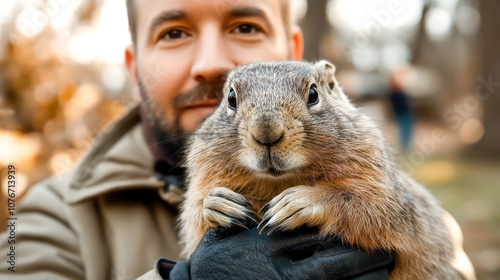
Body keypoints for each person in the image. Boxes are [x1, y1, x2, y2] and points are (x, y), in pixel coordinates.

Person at [0, 0, 472, 279]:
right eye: (174, 32)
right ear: (132, 67)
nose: (212, 61)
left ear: (313, 70)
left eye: (245, 27)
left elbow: (418, 238)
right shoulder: (43, 215)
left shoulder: (359, 148)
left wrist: (333, 204)